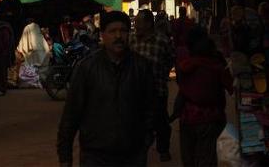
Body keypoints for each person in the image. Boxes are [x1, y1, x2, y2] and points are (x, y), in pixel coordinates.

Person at [57, 10, 155, 167]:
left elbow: (150, 109)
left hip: (132, 155)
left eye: (123, 31)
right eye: (112, 31)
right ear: (102, 35)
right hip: (95, 156)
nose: (118, 36)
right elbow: (71, 115)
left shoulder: (141, 67)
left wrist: (145, 141)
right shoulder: (87, 68)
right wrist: (65, 157)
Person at [177, 26, 233, 167]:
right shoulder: (216, 63)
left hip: (187, 116)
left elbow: (181, 84)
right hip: (211, 117)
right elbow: (231, 86)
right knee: (207, 159)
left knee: (189, 159)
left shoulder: (184, 62)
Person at [131, 10, 174, 162]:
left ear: (148, 24)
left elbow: (171, 59)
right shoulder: (132, 40)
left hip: (157, 88)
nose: (135, 25)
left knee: (160, 120)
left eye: (138, 22)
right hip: (135, 90)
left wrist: (162, 73)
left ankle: (163, 149)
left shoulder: (162, 40)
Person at [0, 14, 14, 96]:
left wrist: (1, 51)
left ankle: (2, 89)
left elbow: (6, 42)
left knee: (1, 73)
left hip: (2, 55)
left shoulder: (4, 29)